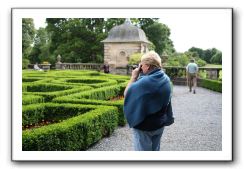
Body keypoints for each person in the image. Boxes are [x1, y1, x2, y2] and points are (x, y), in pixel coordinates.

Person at [123, 51, 174, 151]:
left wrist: (133, 77)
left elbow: (126, 94)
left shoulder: (144, 82)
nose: (140, 67)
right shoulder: (166, 79)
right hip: (159, 124)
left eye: (141, 65)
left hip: (145, 126)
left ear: (148, 66)